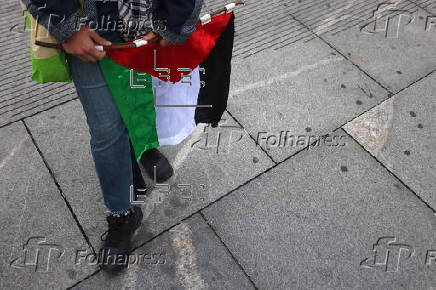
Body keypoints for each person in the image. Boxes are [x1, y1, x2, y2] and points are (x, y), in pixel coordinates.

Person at [22, 0, 203, 271]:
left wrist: (174, 19)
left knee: (144, 97)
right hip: (90, 24)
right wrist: (67, 27)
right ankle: (123, 213)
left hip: (148, 17)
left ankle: (141, 147)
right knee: (106, 130)